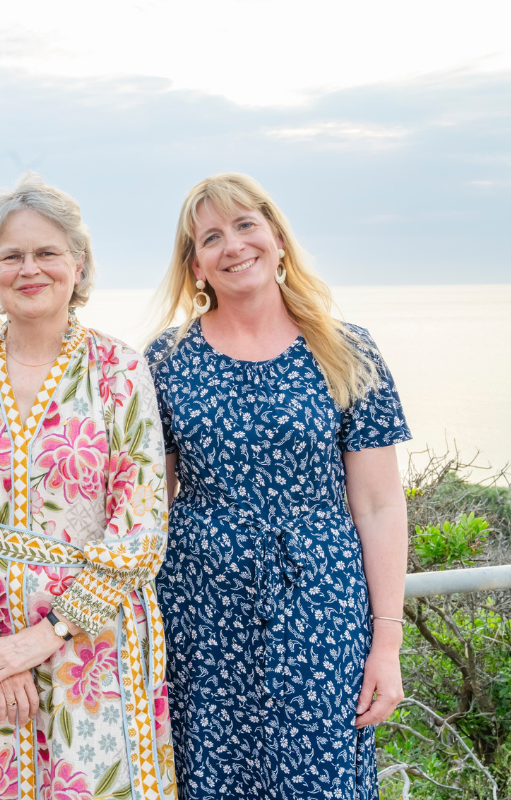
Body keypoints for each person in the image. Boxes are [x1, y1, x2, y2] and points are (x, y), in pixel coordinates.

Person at [145, 173, 410, 798]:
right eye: (211, 237)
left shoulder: (346, 351)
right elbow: (147, 501)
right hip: (199, 610)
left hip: (321, 605)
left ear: (277, 240)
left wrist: (387, 645)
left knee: (317, 779)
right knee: (211, 777)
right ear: (196, 266)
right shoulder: (166, 360)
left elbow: (377, 504)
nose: (233, 245)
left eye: (245, 226)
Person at [0, 173, 175, 800]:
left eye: (46, 253)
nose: (29, 268)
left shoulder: (118, 369)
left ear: (78, 265)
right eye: (11, 255)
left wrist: (42, 640)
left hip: (95, 639)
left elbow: (140, 526)